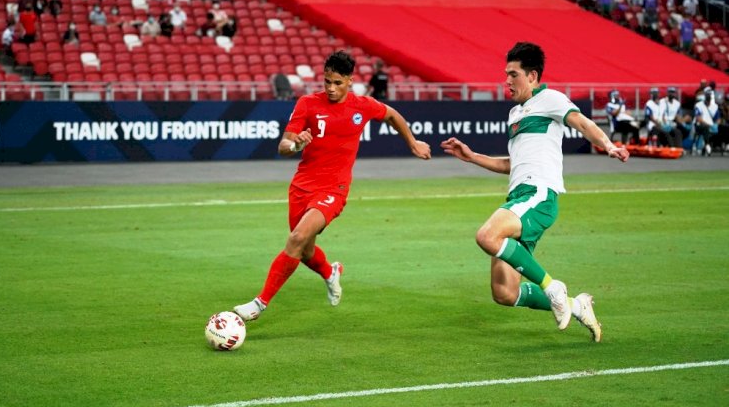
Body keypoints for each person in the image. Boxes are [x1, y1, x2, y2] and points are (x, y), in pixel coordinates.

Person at [441, 42, 629, 343]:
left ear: (532, 76)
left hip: (538, 194)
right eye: (505, 74)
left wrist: (607, 145)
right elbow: (512, 165)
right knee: (504, 293)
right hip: (519, 197)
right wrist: (471, 156)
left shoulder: (550, 98)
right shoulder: (515, 114)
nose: (507, 81)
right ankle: (577, 306)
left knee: (487, 236)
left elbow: (581, 122)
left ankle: (553, 288)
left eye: (513, 75)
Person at [233, 50, 431, 322]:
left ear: (350, 80)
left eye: (337, 82)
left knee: (296, 239)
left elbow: (392, 115)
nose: (331, 88)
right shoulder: (307, 104)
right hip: (301, 187)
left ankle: (259, 303)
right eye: (327, 81)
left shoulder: (362, 106)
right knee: (304, 251)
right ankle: (330, 272)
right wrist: (296, 144)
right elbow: (283, 146)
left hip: (333, 190)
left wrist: (413, 142)